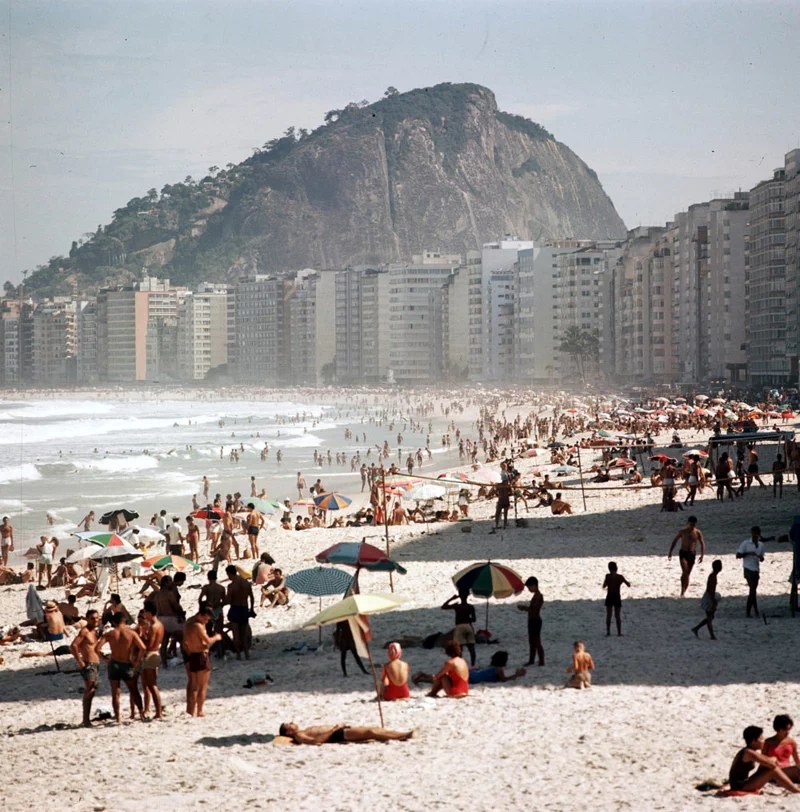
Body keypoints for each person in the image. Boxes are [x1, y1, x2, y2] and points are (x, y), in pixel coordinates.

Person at [94, 612, 146, 723]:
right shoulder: (131, 633)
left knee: (115, 693)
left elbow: (97, 648)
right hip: (126, 663)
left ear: (114, 622)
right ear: (124, 621)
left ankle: (118, 717)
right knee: (134, 690)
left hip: (113, 664)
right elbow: (143, 647)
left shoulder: (110, 634)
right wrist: (137, 661)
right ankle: (141, 713)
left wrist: (105, 659)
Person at [727, 726, 800, 793]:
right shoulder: (749, 752)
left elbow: (765, 762)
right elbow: (771, 763)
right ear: (753, 741)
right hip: (740, 786)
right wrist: (773, 759)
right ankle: (796, 790)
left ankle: (793, 788)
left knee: (767, 767)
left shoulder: (748, 751)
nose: (763, 741)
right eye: (761, 739)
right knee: (773, 770)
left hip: (743, 782)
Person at [183, 603, 221, 717]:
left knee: (193, 686)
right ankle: (199, 710)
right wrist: (217, 637)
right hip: (201, 656)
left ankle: (191, 710)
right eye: (206, 618)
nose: (206, 621)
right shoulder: (198, 626)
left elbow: (185, 642)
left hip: (192, 655)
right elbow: (207, 641)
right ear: (201, 614)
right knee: (202, 686)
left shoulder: (188, 623)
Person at [70, 609, 101, 727]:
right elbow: (73, 646)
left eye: (97, 618)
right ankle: (86, 720)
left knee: (90, 691)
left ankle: (86, 719)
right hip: (88, 664)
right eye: (92, 618)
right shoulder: (85, 631)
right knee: (90, 690)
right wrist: (80, 661)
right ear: (87, 619)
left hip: (95, 664)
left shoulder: (95, 632)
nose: (95, 620)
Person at [278, 722, 414, 744]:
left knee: (373, 730)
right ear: (289, 731)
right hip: (338, 734)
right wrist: (333, 729)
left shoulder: (301, 731)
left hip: (339, 730)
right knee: (371, 732)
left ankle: (400, 734)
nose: (292, 722)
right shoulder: (299, 736)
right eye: (289, 724)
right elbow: (315, 741)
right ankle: (402, 736)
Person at [667, 516, 705, 597]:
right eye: (691, 524)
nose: (692, 526)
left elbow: (702, 543)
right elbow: (675, 541)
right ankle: (682, 591)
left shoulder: (697, 532)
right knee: (685, 571)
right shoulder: (683, 531)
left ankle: (684, 590)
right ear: (688, 523)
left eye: (693, 525)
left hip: (692, 553)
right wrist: (670, 552)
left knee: (687, 573)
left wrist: (702, 555)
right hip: (683, 552)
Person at [140, 600, 164, 720]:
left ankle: (158, 712)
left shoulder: (154, 626)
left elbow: (149, 644)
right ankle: (153, 709)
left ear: (149, 612)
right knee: (148, 684)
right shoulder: (159, 624)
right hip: (154, 654)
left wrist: (142, 636)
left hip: (150, 654)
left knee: (152, 685)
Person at [225, 564, 254, 659]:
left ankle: (238, 655)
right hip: (244, 609)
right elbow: (252, 597)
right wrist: (252, 609)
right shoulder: (246, 583)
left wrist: (221, 603)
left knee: (236, 634)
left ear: (229, 573)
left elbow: (229, 600)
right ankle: (247, 654)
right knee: (243, 634)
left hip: (235, 609)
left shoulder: (231, 586)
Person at [737, 526, 765, 618]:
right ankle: (749, 612)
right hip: (747, 569)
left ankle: (755, 610)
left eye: (756, 534)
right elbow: (738, 555)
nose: (755, 535)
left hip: (756, 569)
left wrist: (761, 558)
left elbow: (762, 558)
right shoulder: (746, 543)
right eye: (753, 533)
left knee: (753, 591)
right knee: (752, 589)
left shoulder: (761, 545)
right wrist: (748, 553)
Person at [441, 590, 476, 666]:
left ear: (460, 597)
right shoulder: (470, 607)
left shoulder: (457, 606)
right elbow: (474, 619)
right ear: (467, 597)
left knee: (459, 649)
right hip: (468, 626)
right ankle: (473, 666)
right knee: (471, 649)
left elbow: (443, 607)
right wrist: (467, 619)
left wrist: (452, 599)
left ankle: (460, 665)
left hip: (459, 627)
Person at [692, 560, 722, 639]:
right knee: (709, 617)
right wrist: (713, 601)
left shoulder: (713, 576)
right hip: (709, 598)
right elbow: (710, 590)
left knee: (711, 617)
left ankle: (696, 628)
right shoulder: (712, 577)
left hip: (709, 597)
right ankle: (712, 635)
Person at [764, 715, 800, 781]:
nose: (787, 732)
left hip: (787, 770)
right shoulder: (768, 742)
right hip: (774, 771)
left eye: (789, 729)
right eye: (784, 729)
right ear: (778, 729)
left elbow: (796, 759)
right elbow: (763, 760)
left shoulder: (791, 742)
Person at [517, 576, 544, 666]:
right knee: (532, 641)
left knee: (536, 641)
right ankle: (532, 660)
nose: (529, 589)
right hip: (533, 620)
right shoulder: (536, 596)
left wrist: (524, 608)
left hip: (535, 620)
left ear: (534, 585)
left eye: (529, 587)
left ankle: (541, 661)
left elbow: (534, 609)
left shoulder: (538, 596)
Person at [603, 561, 631, 637]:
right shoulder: (620, 577)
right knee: (617, 615)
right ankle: (619, 632)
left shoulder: (607, 576)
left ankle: (608, 632)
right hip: (617, 596)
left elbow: (604, 586)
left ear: (609, 569)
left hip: (609, 596)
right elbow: (628, 585)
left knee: (609, 615)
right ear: (616, 568)